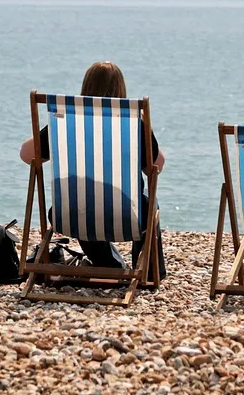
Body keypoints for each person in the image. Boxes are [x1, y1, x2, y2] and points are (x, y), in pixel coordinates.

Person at [19, 61, 167, 278]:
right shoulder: (134, 121)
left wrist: (53, 127)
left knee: (84, 203)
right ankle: (151, 272)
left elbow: (26, 154)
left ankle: (109, 265)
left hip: (69, 215)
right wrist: (146, 130)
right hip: (128, 216)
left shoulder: (66, 121)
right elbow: (157, 166)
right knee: (150, 203)